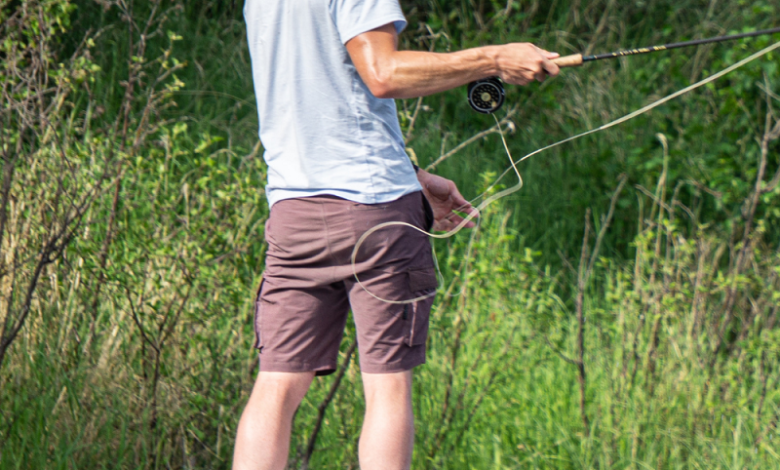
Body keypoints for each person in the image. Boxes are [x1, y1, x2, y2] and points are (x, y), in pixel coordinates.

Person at [234, 1, 559, 469]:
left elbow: (322, 92)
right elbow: (383, 72)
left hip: (293, 210)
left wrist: (415, 174)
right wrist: (494, 58)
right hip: (377, 213)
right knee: (387, 387)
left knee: (277, 383)